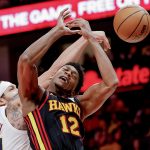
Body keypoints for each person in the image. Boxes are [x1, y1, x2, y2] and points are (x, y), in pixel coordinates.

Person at [0, 9, 108, 150]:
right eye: (11, 89)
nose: (17, 89)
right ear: (1, 100)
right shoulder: (12, 107)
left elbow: (53, 73)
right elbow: (52, 74)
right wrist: (86, 38)